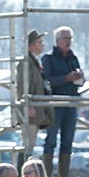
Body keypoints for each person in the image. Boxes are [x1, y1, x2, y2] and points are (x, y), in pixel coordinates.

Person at [41, 26, 84, 177]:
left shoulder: (73, 58)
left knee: (68, 141)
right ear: (57, 40)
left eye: (70, 38)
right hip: (55, 104)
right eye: (65, 38)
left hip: (71, 104)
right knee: (50, 141)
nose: (68, 41)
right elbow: (47, 80)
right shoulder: (48, 58)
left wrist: (79, 78)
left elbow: (79, 80)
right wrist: (66, 78)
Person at [16, 29, 55, 160]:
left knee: (30, 145)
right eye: (39, 42)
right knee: (28, 145)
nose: (42, 44)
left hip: (34, 109)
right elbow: (22, 86)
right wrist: (27, 106)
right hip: (30, 110)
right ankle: (21, 176)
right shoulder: (26, 63)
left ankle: (22, 174)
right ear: (32, 45)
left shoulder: (33, 62)